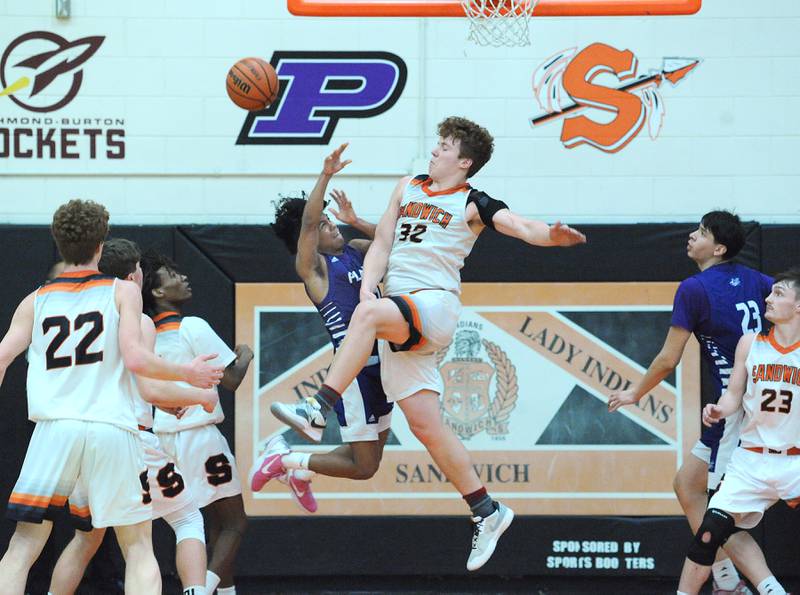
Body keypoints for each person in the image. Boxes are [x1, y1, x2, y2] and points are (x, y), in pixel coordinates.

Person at [270, 117, 586, 570]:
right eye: (436, 144)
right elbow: (381, 242)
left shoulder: (473, 202)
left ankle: (317, 406)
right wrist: (367, 287)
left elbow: (520, 226)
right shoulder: (408, 186)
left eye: (444, 147)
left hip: (433, 304)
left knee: (373, 316)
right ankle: (487, 510)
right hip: (399, 315)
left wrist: (550, 238)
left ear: (465, 162)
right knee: (425, 426)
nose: (434, 151)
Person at [0, 200, 222, 595]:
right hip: (112, 429)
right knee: (137, 546)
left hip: (54, 431)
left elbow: (2, 357)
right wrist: (189, 373)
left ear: (58, 241)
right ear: (100, 245)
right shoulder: (122, 292)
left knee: (22, 547)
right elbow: (137, 359)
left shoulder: (36, 299)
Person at [608, 211, 775, 595]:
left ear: (717, 248)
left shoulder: (694, 289)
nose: (691, 236)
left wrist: (636, 392)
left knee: (721, 518)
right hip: (745, 407)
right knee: (687, 486)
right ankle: (728, 581)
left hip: (735, 414)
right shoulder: (756, 280)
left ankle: (762, 588)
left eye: (700, 232)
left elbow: (669, 358)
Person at [49, 238, 217, 595]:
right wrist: (198, 393)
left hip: (79, 442)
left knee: (85, 539)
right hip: (129, 440)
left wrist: (166, 396)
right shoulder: (137, 320)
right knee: (184, 520)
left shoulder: (78, 317)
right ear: (132, 276)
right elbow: (147, 389)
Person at [251, 144, 393, 504]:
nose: (332, 228)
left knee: (369, 464)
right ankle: (282, 459)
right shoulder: (313, 269)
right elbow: (310, 223)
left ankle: (295, 465)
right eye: (326, 225)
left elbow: (392, 241)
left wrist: (356, 219)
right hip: (355, 370)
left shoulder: (357, 249)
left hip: (386, 365)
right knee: (363, 466)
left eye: (332, 223)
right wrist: (326, 174)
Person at [676, 267, 800, 595]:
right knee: (708, 534)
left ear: (798, 306)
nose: (768, 299)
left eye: (778, 294)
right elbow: (733, 394)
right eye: (770, 293)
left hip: (795, 460)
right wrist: (719, 408)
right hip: (751, 460)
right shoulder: (751, 343)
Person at [141, 251, 253, 595]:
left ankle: (223, 590)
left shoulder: (141, 338)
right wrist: (246, 352)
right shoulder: (192, 326)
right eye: (171, 274)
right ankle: (200, 591)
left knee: (196, 525)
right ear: (157, 292)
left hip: (160, 442)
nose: (182, 277)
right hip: (199, 436)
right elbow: (231, 380)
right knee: (233, 523)